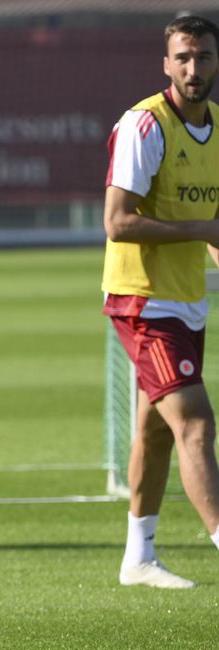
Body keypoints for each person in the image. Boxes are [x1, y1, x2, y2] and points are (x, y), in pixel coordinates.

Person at [102, 14, 219, 589]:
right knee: (195, 424)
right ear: (166, 63)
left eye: (203, 57)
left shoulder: (218, 128)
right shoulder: (145, 125)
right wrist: (203, 229)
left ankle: (139, 557)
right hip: (142, 300)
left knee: (155, 429)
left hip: (187, 299)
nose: (193, 68)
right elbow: (117, 222)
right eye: (183, 57)